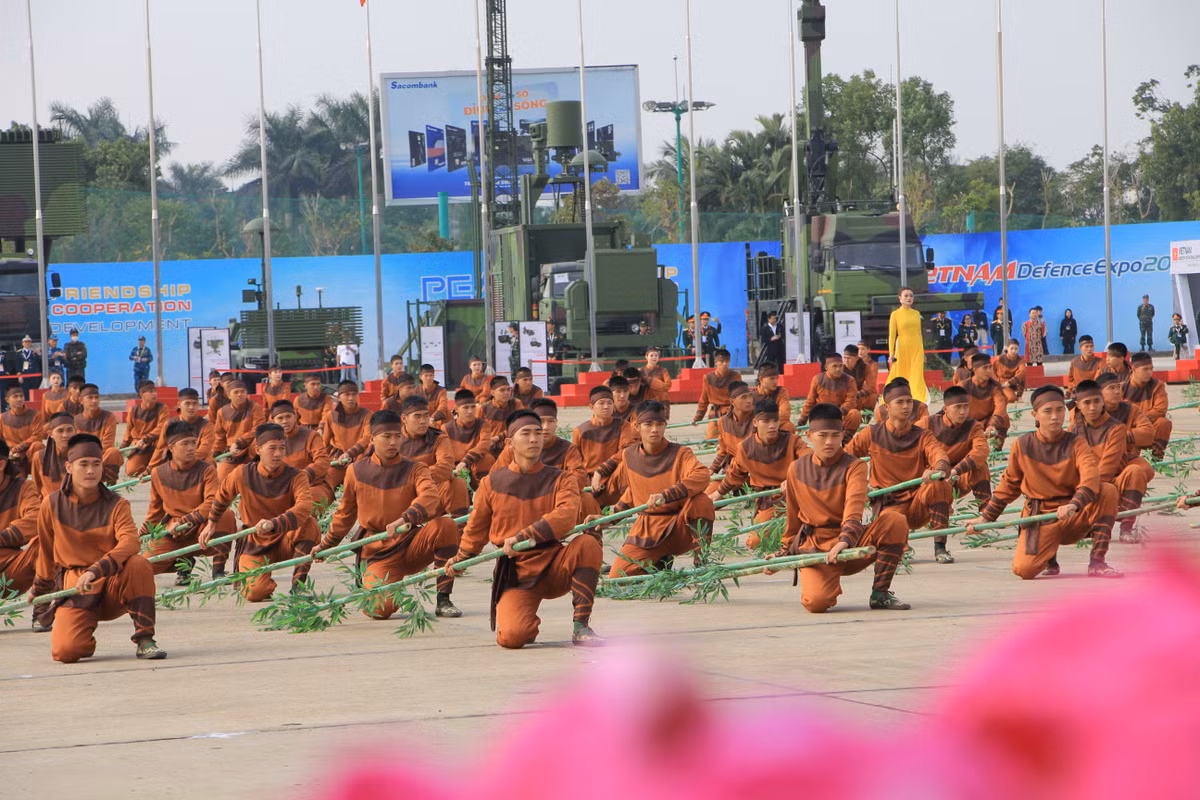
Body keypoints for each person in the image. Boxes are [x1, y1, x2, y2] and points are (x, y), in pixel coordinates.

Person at [446, 409, 604, 648]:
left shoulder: (562, 479)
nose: (534, 439)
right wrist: (460, 558)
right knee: (512, 638)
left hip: (554, 563)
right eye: (526, 433)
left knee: (587, 544)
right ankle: (524, 618)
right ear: (509, 443)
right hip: (516, 571)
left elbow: (566, 517)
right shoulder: (491, 483)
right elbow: (476, 529)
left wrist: (524, 535)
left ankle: (581, 625)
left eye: (538, 433)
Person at [32, 433, 166, 662]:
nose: (91, 471)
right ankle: (82, 634)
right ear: (69, 467)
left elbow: (130, 542)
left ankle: (145, 639)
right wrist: (39, 594)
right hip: (77, 586)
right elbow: (45, 552)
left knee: (138, 564)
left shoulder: (117, 504)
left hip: (111, 582)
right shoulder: (51, 504)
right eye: (83, 464)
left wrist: (97, 569)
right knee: (66, 652)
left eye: (96, 464)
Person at [965, 385, 1122, 580]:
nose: (1055, 416)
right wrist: (985, 518)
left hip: (1072, 513)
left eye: (1059, 410)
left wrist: (1074, 503)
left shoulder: (1076, 443)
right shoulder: (1022, 445)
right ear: (1035, 414)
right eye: (1048, 411)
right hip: (1040, 515)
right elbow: (1009, 485)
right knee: (1024, 570)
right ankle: (1049, 557)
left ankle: (1098, 561)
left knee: (1107, 490)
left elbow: (1091, 477)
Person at [771, 403, 914, 613]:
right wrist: (782, 553)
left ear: (842, 435)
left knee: (895, 520)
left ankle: (880, 593)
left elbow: (854, 506)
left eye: (835, 435)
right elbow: (793, 517)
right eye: (822, 435)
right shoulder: (796, 469)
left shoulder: (854, 466)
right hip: (816, 546)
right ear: (810, 435)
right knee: (816, 603)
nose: (829, 441)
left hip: (851, 541)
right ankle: (825, 580)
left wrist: (845, 540)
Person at [319, 410, 462, 620]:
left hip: (411, 542)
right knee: (380, 610)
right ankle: (371, 580)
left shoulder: (416, 468)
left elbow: (430, 496)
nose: (393, 442)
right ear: (372, 438)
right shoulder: (355, 471)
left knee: (446, 525)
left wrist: (406, 517)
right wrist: (326, 545)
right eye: (387, 437)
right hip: (378, 550)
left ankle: (443, 598)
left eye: (397, 436)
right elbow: (345, 514)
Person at [846, 379, 953, 575]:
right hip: (889, 505)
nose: (906, 407)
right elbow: (844, 457)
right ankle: (899, 547)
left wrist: (937, 470)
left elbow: (940, 455)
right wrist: (859, 483)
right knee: (895, 547)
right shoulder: (872, 433)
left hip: (916, 503)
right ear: (887, 407)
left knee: (941, 486)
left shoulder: (923, 435)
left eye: (909, 401)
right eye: (900, 402)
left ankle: (940, 546)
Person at [200, 423, 318, 600]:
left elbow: (304, 506)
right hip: (254, 541)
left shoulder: (296, 475)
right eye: (272, 448)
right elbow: (222, 496)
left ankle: (298, 586)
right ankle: (262, 578)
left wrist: (273, 524)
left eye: (282, 448)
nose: (277, 454)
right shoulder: (242, 474)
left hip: (284, 537)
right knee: (255, 593)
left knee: (309, 524)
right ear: (258, 449)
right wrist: (211, 523)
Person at [600, 401, 715, 578]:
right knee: (617, 577)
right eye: (648, 424)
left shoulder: (681, 453)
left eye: (659, 424)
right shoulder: (628, 455)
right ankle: (660, 561)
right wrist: (608, 519)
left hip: (678, 526)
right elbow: (632, 493)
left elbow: (702, 475)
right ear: (636, 427)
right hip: (647, 530)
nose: (655, 429)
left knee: (702, 501)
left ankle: (701, 559)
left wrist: (666, 495)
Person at [708, 396, 809, 549]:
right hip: (769, 500)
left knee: (809, 536)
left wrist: (794, 477)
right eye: (766, 422)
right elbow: (734, 475)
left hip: (797, 495)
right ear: (755, 422)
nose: (772, 426)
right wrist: (716, 495)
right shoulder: (746, 448)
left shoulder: (793, 441)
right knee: (755, 543)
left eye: (775, 421)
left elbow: (810, 459)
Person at [141, 420, 235, 584]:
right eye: (185, 444)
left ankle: (218, 570)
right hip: (174, 531)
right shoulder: (158, 473)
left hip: (201, 527)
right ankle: (184, 563)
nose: (191, 448)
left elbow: (213, 501)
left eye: (193, 443)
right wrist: (142, 534)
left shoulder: (207, 468)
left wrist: (188, 521)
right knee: (145, 565)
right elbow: (155, 510)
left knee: (225, 515)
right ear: (171, 447)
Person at [1069, 379, 1153, 548]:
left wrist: (1084, 493)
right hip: (1087, 485)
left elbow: (1108, 466)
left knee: (1136, 472)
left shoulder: (1117, 428)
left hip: (1109, 482)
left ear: (1102, 402)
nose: (1092, 407)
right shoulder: (1073, 430)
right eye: (1087, 403)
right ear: (1078, 405)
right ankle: (1090, 523)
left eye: (1096, 402)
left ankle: (1127, 527)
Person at [927, 386, 992, 563]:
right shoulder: (928, 424)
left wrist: (956, 470)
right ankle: (939, 547)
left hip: (958, 478)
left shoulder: (974, 426)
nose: (963, 412)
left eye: (966, 406)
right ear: (946, 408)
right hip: (933, 481)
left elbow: (981, 451)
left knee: (980, 466)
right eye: (958, 407)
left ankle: (985, 515)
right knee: (937, 483)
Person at [395, 396, 470, 525]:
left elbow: (446, 467)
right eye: (417, 416)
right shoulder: (393, 439)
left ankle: (460, 529)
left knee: (456, 484)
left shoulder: (438, 437)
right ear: (404, 418)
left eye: (426, 416)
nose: (423, 421)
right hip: (400, 495)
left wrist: (415, 477)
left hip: (430, 493)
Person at [0, 437, 48, 629]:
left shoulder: (23, 487)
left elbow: (36, 519)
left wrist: (3, 537)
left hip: (11, 570)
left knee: (45, 543)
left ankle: (42, 611)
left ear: (2, 464)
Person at [574, 386, 639, 512]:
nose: (606, 406)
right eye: (601, 403)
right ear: (591, 407)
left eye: (610, 403)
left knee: (629, 460)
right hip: (590, 485)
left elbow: (627, 450)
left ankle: (622, 508)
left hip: (613, 480)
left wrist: (601, 471)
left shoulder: (623, 426)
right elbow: (576, 461)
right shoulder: (580, 431)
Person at [261, 399, 333, 508]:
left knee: (305, 504)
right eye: (280, 418)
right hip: (283, 489)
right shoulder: (269, 441)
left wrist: (302, 476)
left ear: (295, 416)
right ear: (273, 420)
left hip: (314, 486)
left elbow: (323, 462)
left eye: (288, 416)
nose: (285, 421)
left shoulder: (311, 436)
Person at [797, 353, 863, 444]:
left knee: (855, 414)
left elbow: (851, 402)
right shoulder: (817, 379)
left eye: (840, 366)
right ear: (826, 367)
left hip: (841, 416)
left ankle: (846, 441)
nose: (838, 369)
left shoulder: (850, 380)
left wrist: (837, 414)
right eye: (834, 366)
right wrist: (802, 420)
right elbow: (810, 401)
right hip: (822, 416)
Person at [212, 379, 267, 482]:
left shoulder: (255, 407)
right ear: (229, 395)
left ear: (247, 393)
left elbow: (259, 428)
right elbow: (219, 436)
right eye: (236, 392)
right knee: (222, 480)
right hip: (232, 453)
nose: (240, 394)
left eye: (242, 391)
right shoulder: (222, 412)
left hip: (251, 450)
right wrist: (217, 453)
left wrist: (239, 442)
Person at [323, 380, 372, 491]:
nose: (351, 398)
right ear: (339, 397)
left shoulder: (367, 414)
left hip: (361, 457)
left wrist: (350, 453)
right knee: (325, 484)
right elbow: (324, 443)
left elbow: (368, 437)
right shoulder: (331, 416)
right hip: (337, 459)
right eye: (347, 394)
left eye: (354, 394)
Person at [149, 387, 213, 469]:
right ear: (179, 404)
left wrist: (183, 461)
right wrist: (149, 468)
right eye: (187, 403)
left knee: (209, 462)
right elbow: (160, 448)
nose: (191, 407)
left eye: (194, 403)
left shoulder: (206, 425)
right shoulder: (169, 424)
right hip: (174, 463)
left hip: (196, 462)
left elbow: (204, 450)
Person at [1124, 351, 1171, 460]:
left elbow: (1160, 410)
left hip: (1148, 427)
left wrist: (1140, 421)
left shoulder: (1157, 385)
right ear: (1134, 369)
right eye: (1145, 369)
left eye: (1151, 369)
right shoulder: (1121, 388)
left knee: (1163, 423)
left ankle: (1157, 456)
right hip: (1129, 431)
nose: (1150, 372)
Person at [73, 384, 124, 483]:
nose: (94, 401)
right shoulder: (75, 420)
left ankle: (110, 488)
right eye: (90, 398)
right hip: (81, 459)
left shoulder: (108, 417)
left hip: (101, 458)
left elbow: (107, 443)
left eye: (96, 398)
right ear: (81, 400)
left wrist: (93, 460)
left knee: (113, 452)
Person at [960, 353, 1012, 449]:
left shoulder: (995, 386)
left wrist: (992, 425)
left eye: (989, 367)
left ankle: (997, 449)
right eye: (985, 368)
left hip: (987, 421)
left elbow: (1000, 407)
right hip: (967, 423)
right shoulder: (963, 386)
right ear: (975, 369)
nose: (988, 371)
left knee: (1004, 419)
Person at [887, 287, 928, 403]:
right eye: (906, 296)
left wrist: (923, 353)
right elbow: (892, 335)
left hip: (916, 348)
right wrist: (891, 354)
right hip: (902, 348)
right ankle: (897, 397)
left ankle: (918, 400)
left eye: (911, 295)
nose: (909, 298)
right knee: (901, 374)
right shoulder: (895, 314)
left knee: (917, 375)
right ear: (900, 298)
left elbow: (919, 334)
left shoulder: (916, 313)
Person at [445, 389, 495, 482]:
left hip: (475, 463)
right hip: (456, 467)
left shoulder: (483, 424)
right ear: (456, 409)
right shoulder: (446, 428)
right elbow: (445, 454)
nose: (470, 411)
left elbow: (484, 445)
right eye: (465, 407)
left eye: (473, 407)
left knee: (487, 459)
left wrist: (465, 461)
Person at [709, 382, 758, 476]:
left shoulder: (759, 418)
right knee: (708, 490)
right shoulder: (723, 422)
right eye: (744, 397)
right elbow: (723, 451)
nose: (749, 401)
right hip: (732, 470)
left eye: (750, 396)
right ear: (732, 401)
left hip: (754, 470)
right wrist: (712, 469)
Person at [120, 380, 167, 478]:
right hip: (140, 445)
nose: (154, 394)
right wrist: (122, 448)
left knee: (163, 442)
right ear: (141, 394)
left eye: (155, 391)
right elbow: (128, 431)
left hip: (156, 443)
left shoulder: (162, 408)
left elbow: (162, 427)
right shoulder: (133, 410)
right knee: (132, 472)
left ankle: (153, 466)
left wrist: (145, 439)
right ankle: (150, 465)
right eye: (150, 391)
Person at [27, 412, 75, 497]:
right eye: (60, 431)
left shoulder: (81, 456)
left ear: (75, 432)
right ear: (50, 434)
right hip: (50, 506)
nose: (65, 435)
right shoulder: (39, 457)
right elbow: (36, 487)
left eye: (69, 430)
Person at [692, 348, 737, 439]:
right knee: (710, 440)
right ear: (716, 362)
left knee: (732, 439)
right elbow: (704, 399)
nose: (725, 364)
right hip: (716, 413)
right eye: (721, 361)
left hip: (732, 413)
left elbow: (740, 397)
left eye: (727, 361)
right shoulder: (708, 378)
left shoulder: (735, 376)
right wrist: (698, 417)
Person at [0, 384, 44, 470]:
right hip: (11, 455)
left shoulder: (35, 415)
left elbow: (37, 437)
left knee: (38, 445)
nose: (19, 399)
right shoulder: (2, 418)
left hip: (29, 452)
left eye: (21, 396)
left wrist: (18, 448)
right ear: (7, 400)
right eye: (15, 396)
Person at [991, 339, 1027, 403]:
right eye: (1011, 348)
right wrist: (996, 383)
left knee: (1022, 375)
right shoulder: (999, 359)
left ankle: (1019, 396)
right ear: (1007, 348)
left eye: (1016, 349)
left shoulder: (1020, 361)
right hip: (1001, 383)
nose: (1014, 351)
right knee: (1011, 398)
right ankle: (997, 393)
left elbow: (1022, 373)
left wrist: (1010, 382)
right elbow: (992, 371)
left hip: (1012, 383)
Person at [641, 346, 673, 418]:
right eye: (651, 356)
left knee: (664, 394)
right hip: (646, 397)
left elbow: (668, 384)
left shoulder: (663, 370)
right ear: (646, 357)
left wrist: (655, 385)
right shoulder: (641, 371)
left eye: (656, 355)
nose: (654, 358)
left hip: (660, 398)